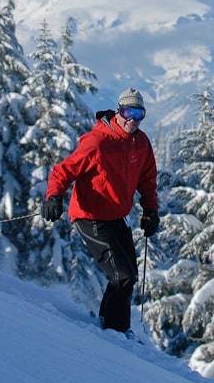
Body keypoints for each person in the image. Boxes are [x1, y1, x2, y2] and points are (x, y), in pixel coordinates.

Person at [42, 87, 160, 336]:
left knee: (128, 276)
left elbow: (147, 180)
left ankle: (108, 322)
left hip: (118, 216)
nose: (132, 120)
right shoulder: (97, 142)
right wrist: (54, 197)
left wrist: (151, 211)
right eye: (128, 112)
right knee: (123, 275)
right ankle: (117, 332)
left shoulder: (141, 142)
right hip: (91, 217)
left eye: (139, 114)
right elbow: (62, 171)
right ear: (118, 111)